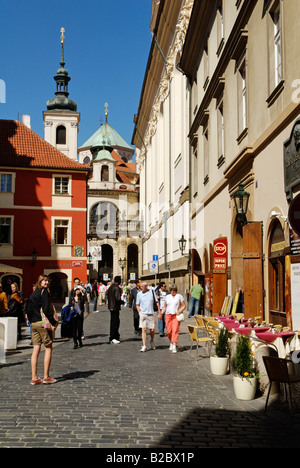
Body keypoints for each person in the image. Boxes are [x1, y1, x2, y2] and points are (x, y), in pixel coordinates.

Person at [26, 275, 58, 385]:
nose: (46, 283)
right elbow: (45, 309)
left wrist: (31, 321)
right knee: (48, 347)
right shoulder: (44, 292)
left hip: (33, 324)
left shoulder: (33, 293)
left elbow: (28, 310)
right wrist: (53, 323)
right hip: (42, 323)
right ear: (40, 282)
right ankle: (46, 376)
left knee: (36, 349)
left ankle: (34, 377)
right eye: (44, 281)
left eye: (48, 281)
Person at [160, 285, 186, 354]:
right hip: (168, 315)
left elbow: (184, 305)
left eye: (174, 290)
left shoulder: (179, 296)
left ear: (176, 290)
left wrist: (179, 311)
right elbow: (165, 307)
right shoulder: (167, 297)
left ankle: (174, 346)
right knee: (169, 331)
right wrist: (161, 313)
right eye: (171, 290)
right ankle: (171, 342)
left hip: (175, 316)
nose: (172, 291)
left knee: (175, 330)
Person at [136, 282, 160, 352]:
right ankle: (144, 345)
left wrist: (160, 312)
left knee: (152, 329)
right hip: (143, 314)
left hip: (150, 313)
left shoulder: (152, 292)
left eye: (141, 287)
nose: (140, 288)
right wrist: (140, 313)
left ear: (146, 286)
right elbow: (137, 304)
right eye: (139, 287)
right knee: (144, 329)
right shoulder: (139, 294)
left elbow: (157, 302)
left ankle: (152, 341)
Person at [107, 276, 123, 344]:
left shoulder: (111, 287)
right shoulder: (116, 288)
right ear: (119, 281)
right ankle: (113, 337)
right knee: (115, 322)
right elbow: (117, 299)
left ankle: (115, 336)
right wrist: (122, 302)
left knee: (113, 322)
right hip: (115, 307)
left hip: (111, 306)